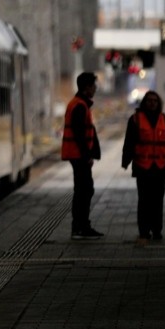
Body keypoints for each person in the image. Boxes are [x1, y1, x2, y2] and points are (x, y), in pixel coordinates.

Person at [121, 90, 165, 240]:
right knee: (144, 200)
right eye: (149, 100)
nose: (152, 103)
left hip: (160, 166)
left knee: (158, 201)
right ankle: (144, 231)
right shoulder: (135, 119)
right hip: (143, 166)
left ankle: (157, 230)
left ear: (159, 104)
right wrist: (125, 161)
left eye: (155, 101)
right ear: (144, 102)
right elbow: (129, 142)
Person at [62, 71, 104, 239]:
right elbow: (79, 134)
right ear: (87, 88)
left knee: (85, 189)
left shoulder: (80, 104)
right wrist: (87, 155)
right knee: (83, 190)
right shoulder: (79, 105)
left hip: (78, 154)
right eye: (94, 86)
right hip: (78, 154)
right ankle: (79, 227)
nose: (95, 89)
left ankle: (82, 226)